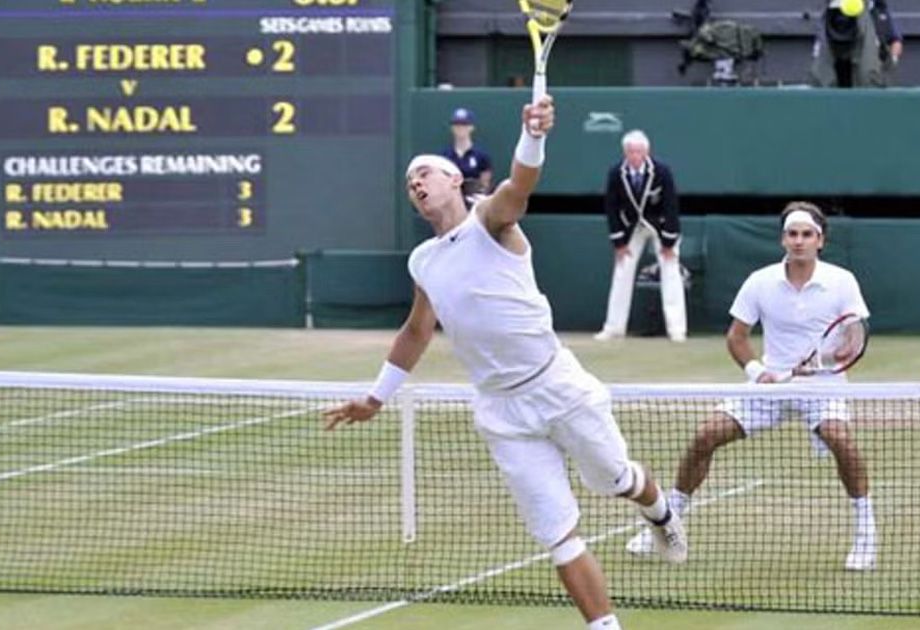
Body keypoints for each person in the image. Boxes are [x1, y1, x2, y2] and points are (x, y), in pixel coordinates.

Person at [324, 96, 688, 630]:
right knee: (556, 534)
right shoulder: (423, 261)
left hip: (558, 385)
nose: (417, 185)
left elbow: (519, 186)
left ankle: (659, 512)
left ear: (455, 181)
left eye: (425, 174)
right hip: (501, 412)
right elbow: (416, 331)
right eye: (410, 183)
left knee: (615, 479)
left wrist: (533, 135)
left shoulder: (490, 219)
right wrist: (376, 397)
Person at [625, 201, 877, 572]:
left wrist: (824, 363)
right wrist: (759, 372)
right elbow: (737, 337)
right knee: (705, 435)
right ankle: (667, 526)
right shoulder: (761, 281)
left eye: (807, 234)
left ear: (820, 240)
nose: (799, 241)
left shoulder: (842, 282)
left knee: (842, 441)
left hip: (822, 386)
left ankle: (865, 533)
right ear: (783, 239)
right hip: (769, 384)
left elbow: (853, 340)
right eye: (792, 234)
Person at [594, 130, 686, 343]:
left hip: (660, 227)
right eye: (630, 151)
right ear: (625, 152)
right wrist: (618, 242)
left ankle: (677, 329)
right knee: (622, 271)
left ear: (646, 152)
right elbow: (611, 207)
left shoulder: (662, 171)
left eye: (638, 151)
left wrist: (668, 242)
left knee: (671, 271)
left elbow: (671, 205)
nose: (634, 156)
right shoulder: (616, 173)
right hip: (631, 228)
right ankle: (614, 327)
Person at [811, 0, 901, 87]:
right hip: (832, 67)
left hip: (866, 84)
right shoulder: (830, 11)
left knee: (868, 76)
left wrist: (891, 59)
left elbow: (895, 42)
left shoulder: (876, 11)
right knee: (823, 75)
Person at [441, 107, 493, 196]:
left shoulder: (481, 156)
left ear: (471, 127)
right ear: (452, 128)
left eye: (464, 124)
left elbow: (485, 185)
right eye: (457, 125)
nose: (460, 128)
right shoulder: (445, 156)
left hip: (474, 201)